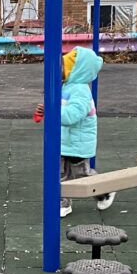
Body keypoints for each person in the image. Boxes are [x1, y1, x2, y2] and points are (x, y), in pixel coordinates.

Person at [34, 47, 116, 218]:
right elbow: (59, 108)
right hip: (64, 140)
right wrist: (45, 110)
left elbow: (72, 116)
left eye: (63, 67)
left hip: (78, 142)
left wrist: (51, 111)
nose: (60, 70)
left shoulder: (80, 91)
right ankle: (63, 203)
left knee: (82, 175)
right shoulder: (66, 86)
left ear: (76, 70)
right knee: (60, 174)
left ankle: (105, 190)